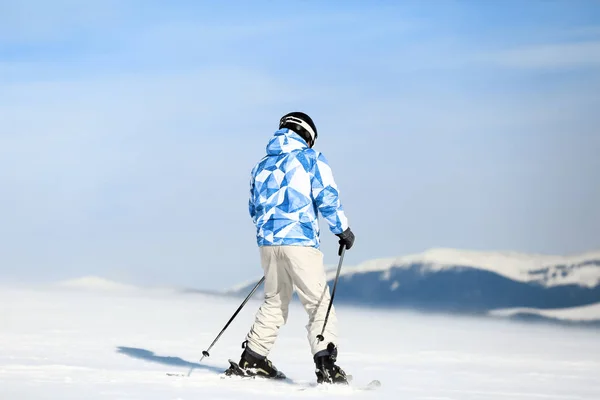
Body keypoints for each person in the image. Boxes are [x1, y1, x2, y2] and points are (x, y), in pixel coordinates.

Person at [228, 112, 355, 384]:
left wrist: (272, 236)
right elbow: (327, 197)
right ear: (307, 135)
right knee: (318, 302)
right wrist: (342, 230)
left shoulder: (261, 166)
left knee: (275, 301)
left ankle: (253, 358)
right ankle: (326, 366)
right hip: (300, 242)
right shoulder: (310, 159)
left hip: (268, 243)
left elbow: (254, 208)